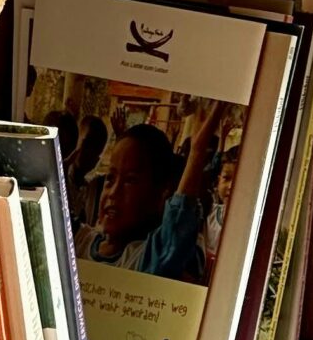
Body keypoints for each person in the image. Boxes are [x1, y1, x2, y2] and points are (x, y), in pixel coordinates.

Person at [87, 102, 227, 282]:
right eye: (110, 178)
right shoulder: (80, 240)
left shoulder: (142, 259)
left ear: (160, 195)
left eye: (130, 181)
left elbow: (172, 239)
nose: (113, 192)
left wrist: (196, 154)